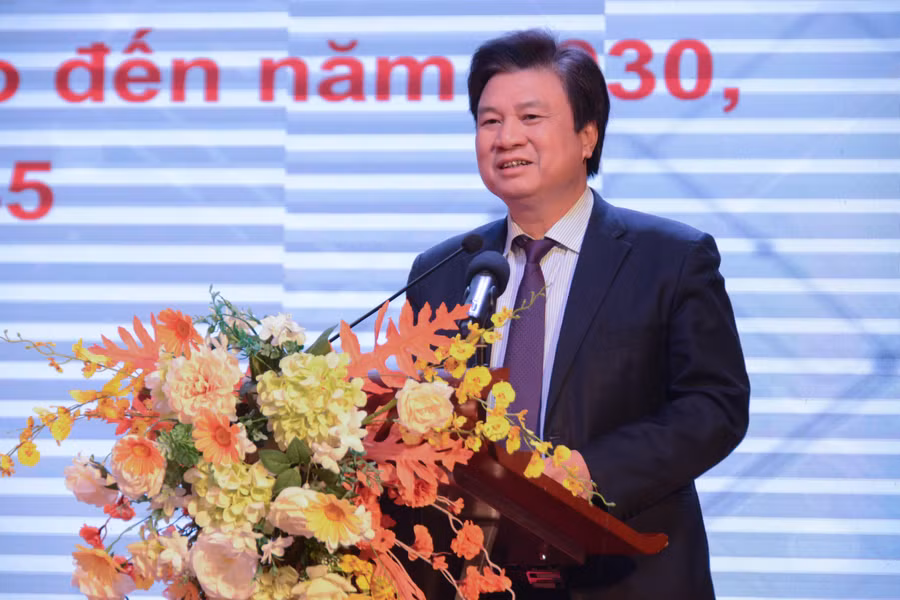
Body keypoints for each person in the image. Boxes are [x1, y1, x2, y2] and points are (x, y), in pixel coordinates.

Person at [404, 30, 751, 599]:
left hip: (628, 578)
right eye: (489, 121)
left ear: (587, 135)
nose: (506, 137)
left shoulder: (670, 258)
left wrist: (592, 472)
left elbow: (715, 405)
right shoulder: (443, 271)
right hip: (472, 577)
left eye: (530, 117)